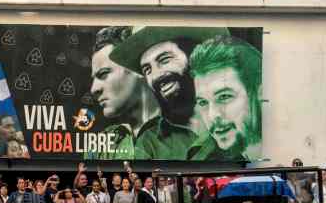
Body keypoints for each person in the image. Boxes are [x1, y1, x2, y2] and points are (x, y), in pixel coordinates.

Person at [109, 26, 217, 159]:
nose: (155, 76)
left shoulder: (238, 116)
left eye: (164, 60)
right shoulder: (150, 141)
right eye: (147, 70)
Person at [88, 26, 162, 160]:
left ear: (135, 67)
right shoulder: (100, 145)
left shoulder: (184, 137)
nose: (94, 89)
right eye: (94, 79)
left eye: (104, 74)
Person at [187, 36, 263, 161]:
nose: (212, 116)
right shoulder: (203, 160)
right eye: (203, 102)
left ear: (259, 93)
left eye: (224, 96)